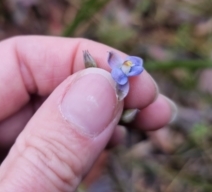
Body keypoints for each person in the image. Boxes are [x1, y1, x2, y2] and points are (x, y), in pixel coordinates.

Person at [0, 36, 176, 191]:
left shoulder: (120, 75)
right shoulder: (115, 69)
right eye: (126, 65)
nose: (128, 65)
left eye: (129, 66)